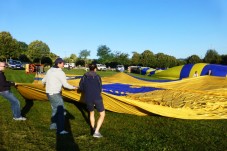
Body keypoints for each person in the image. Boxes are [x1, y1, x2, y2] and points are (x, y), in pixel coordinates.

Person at [42, 58, 76, 135]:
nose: (64, 64)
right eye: (63, 63)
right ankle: (60, 130)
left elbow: (43, 80)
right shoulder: (61, 73)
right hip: (55, 93)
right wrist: (74, 87)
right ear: (58, 64)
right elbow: (65, 85)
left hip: (48, 93)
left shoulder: (50, 71)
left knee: (54, 109)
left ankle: (53, 125)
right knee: (61, 111)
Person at [79, 64, 105, 138]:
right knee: (102, 115)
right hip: (97, 98)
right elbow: (100, 88)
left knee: (91, 113)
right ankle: (96, 132)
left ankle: (93, 128)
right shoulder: (98, 77)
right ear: (95, 69)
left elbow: (81, 87)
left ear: (89, 68)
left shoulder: (84, 77)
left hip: (88, 98)